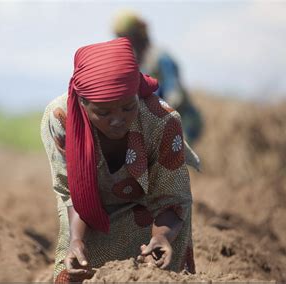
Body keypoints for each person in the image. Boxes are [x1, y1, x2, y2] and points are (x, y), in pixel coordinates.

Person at [41, 38, 195, 283]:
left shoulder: (161, 121)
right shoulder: (61, 119)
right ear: (83, 103)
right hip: (89, 217)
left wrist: (162, 238)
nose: (117, 120)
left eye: (127, 108)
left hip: (151, 218)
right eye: (103, 112)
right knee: (72, 272)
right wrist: (76, 241)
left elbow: (172, 198)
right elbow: (71, 194)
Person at [113, 10, 203, 144]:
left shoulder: (160, 58)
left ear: (136, 35)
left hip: (182, 121)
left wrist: (155, 117)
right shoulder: (135, 62)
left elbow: (175, 95)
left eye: (126, 36)